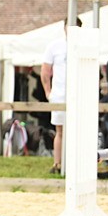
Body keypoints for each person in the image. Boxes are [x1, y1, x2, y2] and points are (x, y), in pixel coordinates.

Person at [41, 18, 80, 175]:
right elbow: (45, 70)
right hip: (60, 94)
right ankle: (57, 163)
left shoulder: (83, 46)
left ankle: (76, 165)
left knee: (78, 130)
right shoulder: (55, 46)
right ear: (64, 28)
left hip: (78, 93)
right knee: (60, 130)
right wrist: (48, 91)